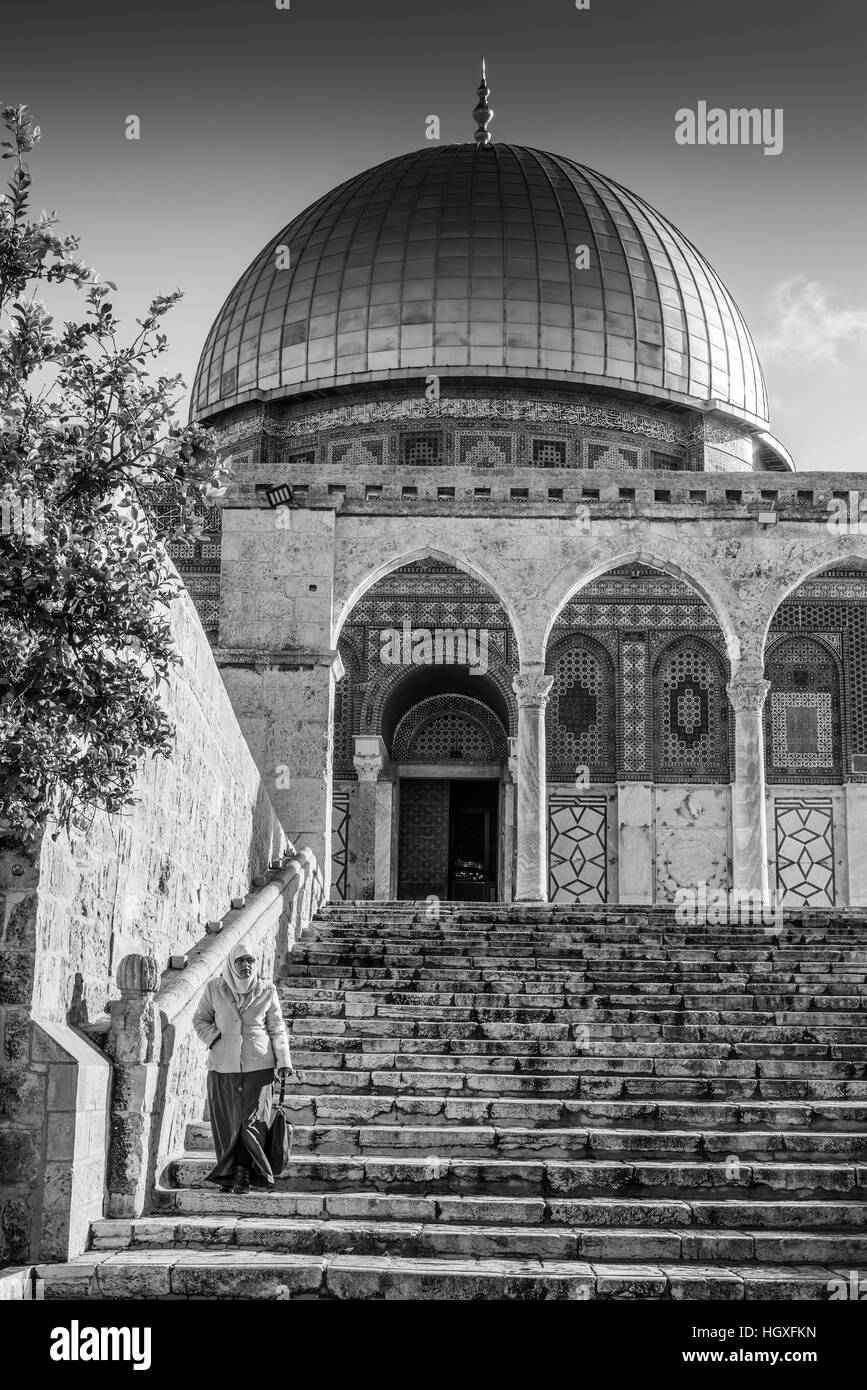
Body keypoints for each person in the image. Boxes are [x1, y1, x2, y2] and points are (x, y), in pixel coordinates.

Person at [192, 941, 293, 1194]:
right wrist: (215, 1038)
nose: (246, 965)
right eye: (240, 961)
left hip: (259, 1066)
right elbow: (199, 1019)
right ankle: (229, 1174)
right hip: (223, 1066)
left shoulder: (267, 990)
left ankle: (242, 1175)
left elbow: (277, 1027)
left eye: (250, 960)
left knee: (252, 1122)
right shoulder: (215, 988)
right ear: (231, 963)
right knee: (228, 1123)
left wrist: (283, 1061)